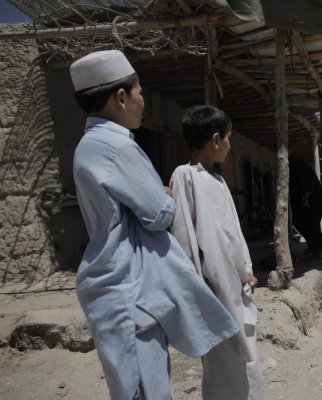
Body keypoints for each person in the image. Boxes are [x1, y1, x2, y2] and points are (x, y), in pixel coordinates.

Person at [70, 51, 239, 399]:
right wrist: (165, 194)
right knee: (145, 390)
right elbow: (159, 214)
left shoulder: (89, 145)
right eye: (140, 93)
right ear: (121, 97)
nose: (142, 102)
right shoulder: (116, 146)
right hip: (129, 289)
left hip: (112, 287)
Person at [170, 106, 262, 400]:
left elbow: (233, 235)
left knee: (247, 365)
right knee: (225, 368)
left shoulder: (220, 182)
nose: (231, 146)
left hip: (236, 287)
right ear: (215, 139)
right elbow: (185, 238)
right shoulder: (185, 177)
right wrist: (196, 291)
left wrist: (244, 270)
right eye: (229, 138)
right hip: (213, 291)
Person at [288, 155, 322, 259]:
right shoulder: (293, 164)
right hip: (304, 202)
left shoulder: (297, 163)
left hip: (311, 201)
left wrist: (305, 198)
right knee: (301, 223)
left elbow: (308, 182)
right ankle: (314, 247)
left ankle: (318, 251)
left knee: (310, 224)